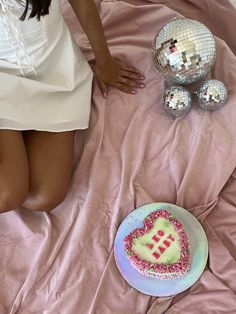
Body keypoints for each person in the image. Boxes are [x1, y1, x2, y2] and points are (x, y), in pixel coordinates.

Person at [0, 0, 145, 213]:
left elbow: (83, 4)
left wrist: (105, 63)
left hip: (56, 71)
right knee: (8, 194)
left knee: (42, 197)